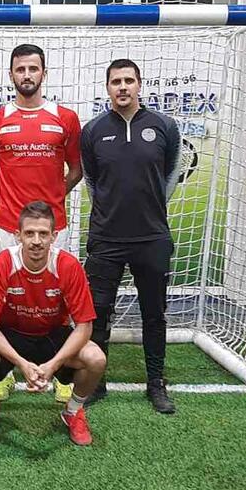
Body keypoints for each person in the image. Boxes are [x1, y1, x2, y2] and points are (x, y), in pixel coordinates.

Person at [0, 43, 83, 403]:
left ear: (44, 73)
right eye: (20, 69)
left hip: (55, 227)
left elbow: (76, 169)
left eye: (33, 69)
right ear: (11, 75)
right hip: (8, 225)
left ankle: (62, 374)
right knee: (6, 300)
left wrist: (52, 199)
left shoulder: (65, 118)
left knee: (58, 300)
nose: (27, 75)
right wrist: (10, 198)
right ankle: (6, 371)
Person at [81, 59, 181, 413]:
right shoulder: (93, 130)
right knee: (98, 313)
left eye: (128, 80)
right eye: (115, 82)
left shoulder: (164, 126)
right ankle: (96, 382)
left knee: (154, 313)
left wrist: (151, 207)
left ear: (139, 84)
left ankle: (156, 383)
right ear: (107, 87)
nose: (122, 87)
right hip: (106, 237)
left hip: (151, 237)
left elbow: (171, 174)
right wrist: (111, 211)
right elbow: (92, 181)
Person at [0, 201, 105, 446]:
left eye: (43, 233)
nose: (36, 241)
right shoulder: (3, 263)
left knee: (96, 359)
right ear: (17, 235)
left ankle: (73, 411)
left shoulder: (68, 265)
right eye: (29, 233)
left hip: (52, 335)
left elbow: (84, 326)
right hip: (12, 335)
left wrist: (53, 364)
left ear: (54, 236)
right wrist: (21, 363)